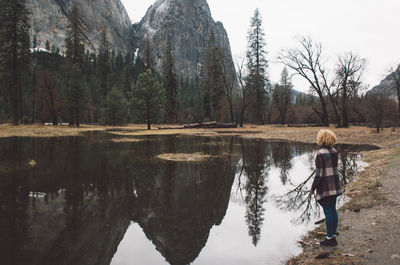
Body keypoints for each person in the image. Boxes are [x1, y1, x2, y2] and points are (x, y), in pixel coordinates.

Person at [310, 129, 343, 246]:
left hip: (325, 185)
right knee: (333, 209)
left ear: (320, 139)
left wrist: (312, 188)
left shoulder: (320, 153)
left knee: (327, 211)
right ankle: (332, 235)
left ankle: (329, 239)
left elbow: (318, 174)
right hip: (335, 184)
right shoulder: (334, 151)